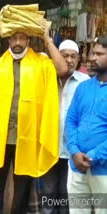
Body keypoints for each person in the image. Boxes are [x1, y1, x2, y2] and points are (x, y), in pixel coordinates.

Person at [0, 31, 68, 214]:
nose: (18, 42)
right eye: (14, 38)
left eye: (22, 38)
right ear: (8, 40)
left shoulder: (41, 64)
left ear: (28, 40)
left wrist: (48, 40)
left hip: (27, 139)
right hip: (0, 138)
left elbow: (63, 70)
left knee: (22, 191)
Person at [40, 40, 90, 214]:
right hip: (48, 148)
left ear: (78, 59)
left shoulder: (85, 83)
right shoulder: (46, 80)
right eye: (64, 56)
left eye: (72, 56)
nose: (68, 60)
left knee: (67, 194)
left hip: (73, 151)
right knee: (47, 194)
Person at [65, 36, 107, 214]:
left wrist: (93, 156)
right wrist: (74, 151)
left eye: (99, 54)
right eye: (93, 53)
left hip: (103, 170)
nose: (92, 57)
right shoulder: (83, 87)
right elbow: (71, 120)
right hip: (77, 168)